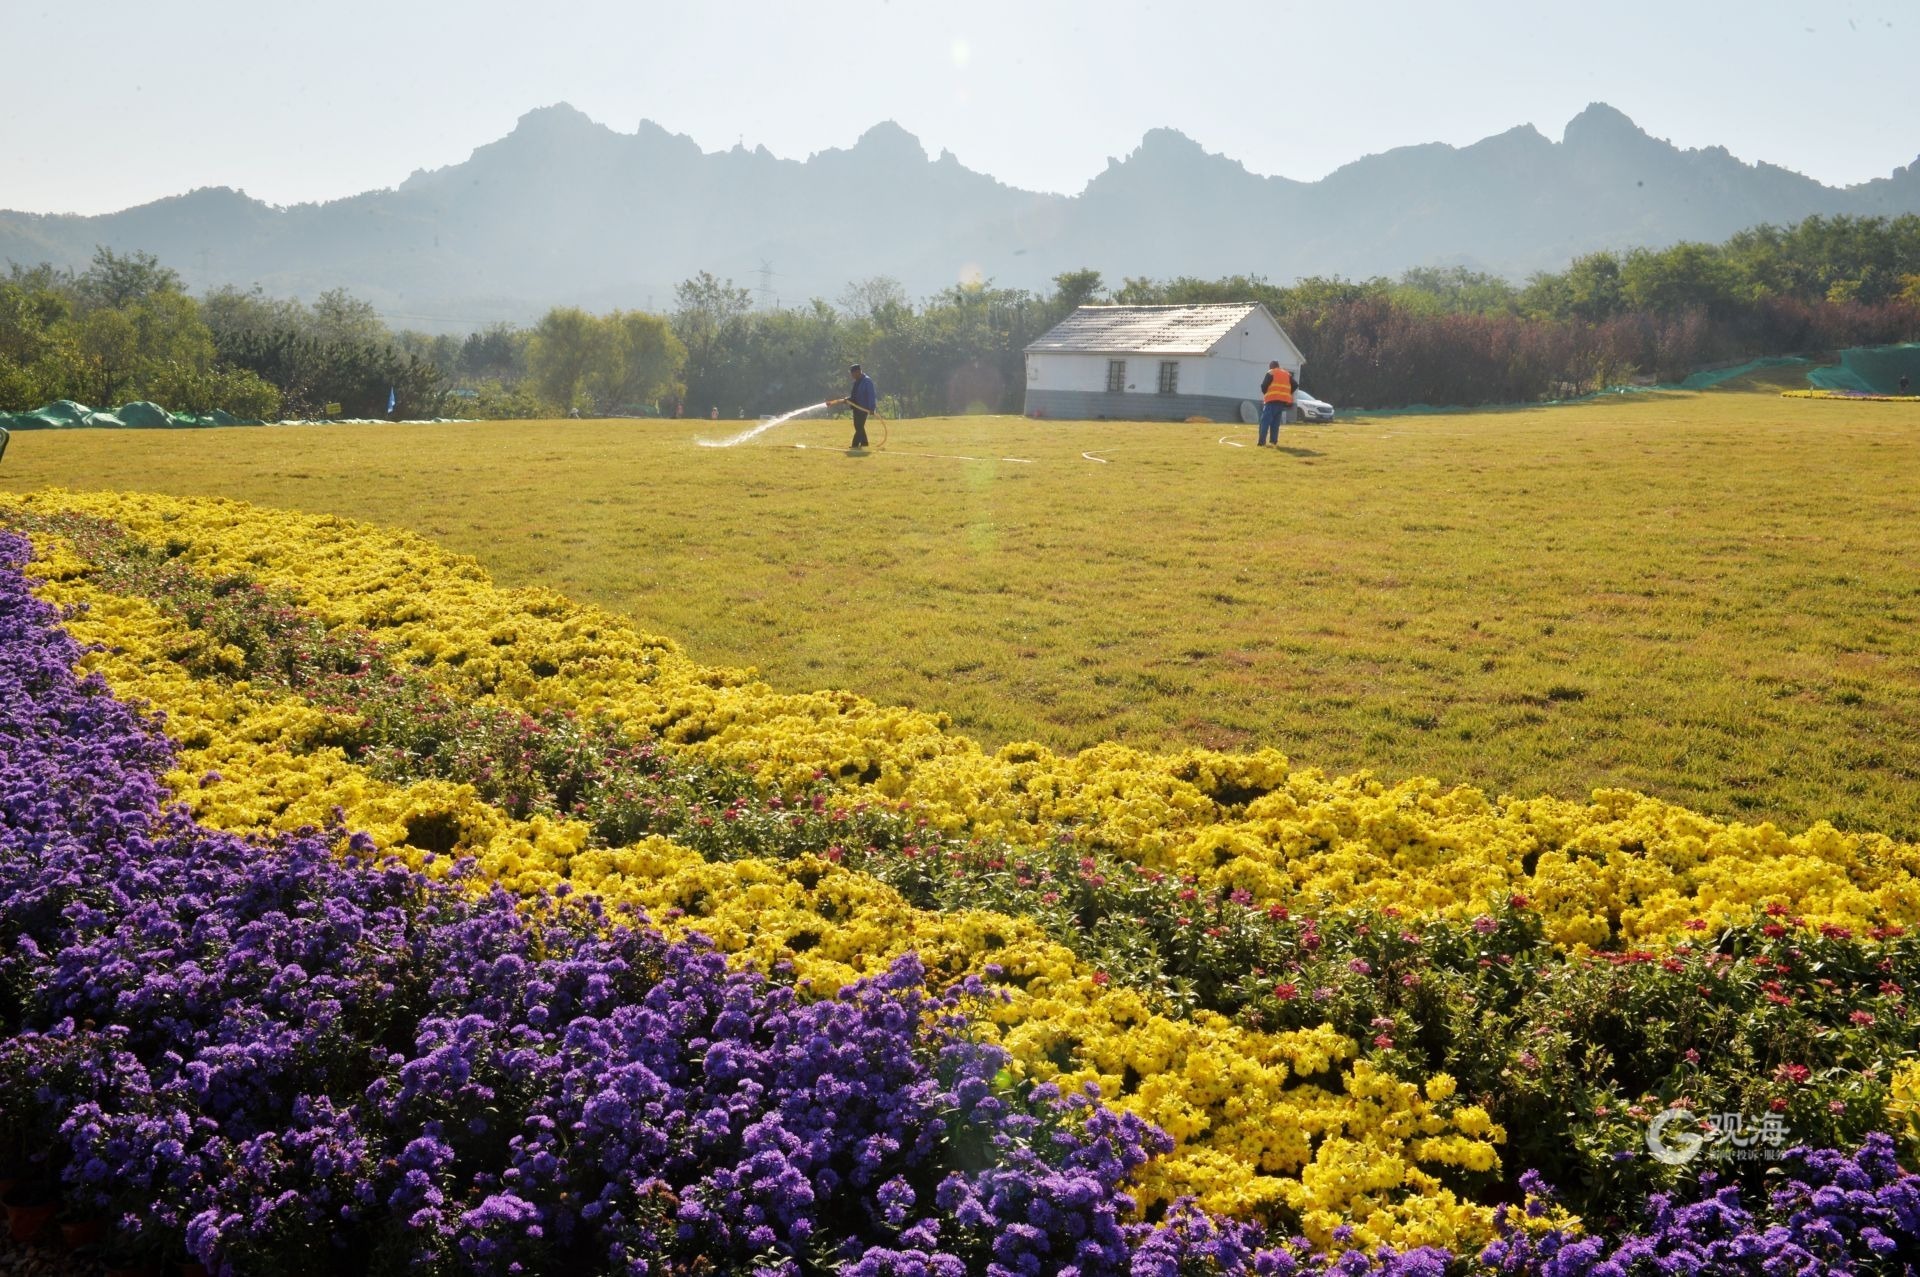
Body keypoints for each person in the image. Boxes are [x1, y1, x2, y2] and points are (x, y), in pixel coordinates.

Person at [1258, 360, 1294, 446]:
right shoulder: (1287, 374)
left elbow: (1263, 386)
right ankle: (1273, 441)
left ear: (1272, 366)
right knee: (1275, 423)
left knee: (1265, 422)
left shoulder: (1271, 372)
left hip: (1271, 400)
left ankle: (1261, 442)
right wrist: (1287, 393)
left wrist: (1266, 393)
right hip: (1282, 402)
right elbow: (1295, 384)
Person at [844, 363, 877, 449]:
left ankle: (854, 445)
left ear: (858, 372)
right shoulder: (857, 382)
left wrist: (872, 408)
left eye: (853, 373)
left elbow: (871, 395)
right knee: (858, 426)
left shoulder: (867, 381)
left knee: (858, 426)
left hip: (863, 408)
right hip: (856, 407)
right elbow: (855, 395)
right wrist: (848, 399)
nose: (852, 375)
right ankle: (864, 443)